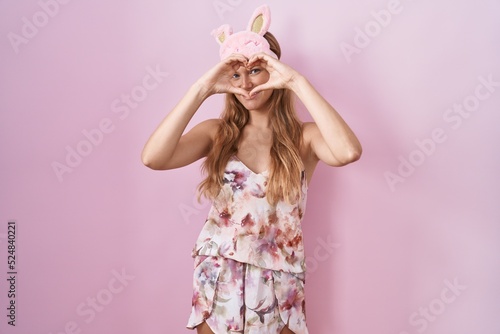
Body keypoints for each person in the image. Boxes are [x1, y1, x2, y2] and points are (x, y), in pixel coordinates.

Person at [141, 5, 362, 334]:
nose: (245, 82)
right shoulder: (217, 133)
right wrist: (203, 88)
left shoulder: (304, 137)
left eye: (256, 70)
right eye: (235, 73)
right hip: (219, 274)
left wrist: (296, 81)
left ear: (274, 70)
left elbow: (348, 151)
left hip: (281, 276)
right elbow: (153, 158)